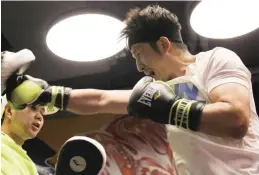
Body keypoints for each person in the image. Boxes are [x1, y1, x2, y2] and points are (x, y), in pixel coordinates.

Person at [4, 5, 259, 175]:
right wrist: (51, 94)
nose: (139, 66)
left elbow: (236, 120)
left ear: (163, 44)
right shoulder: (157, 90)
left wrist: (170, 110)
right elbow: (101, 100)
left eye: (139, 54)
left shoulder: (214, 60)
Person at [1, 51, 107, 175]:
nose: (40, 116)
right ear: (9, 111)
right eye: (34, 108)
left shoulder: (27, 164)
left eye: (42, 112)